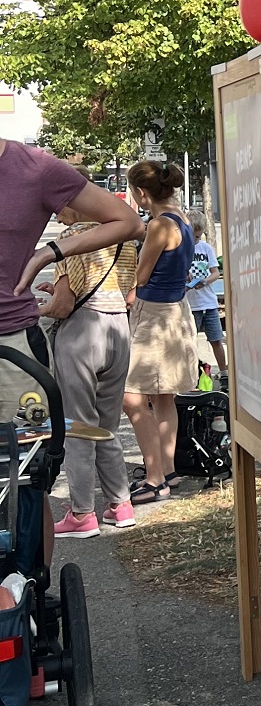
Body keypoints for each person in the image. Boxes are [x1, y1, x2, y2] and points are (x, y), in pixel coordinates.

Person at [2, 144, 142, 427]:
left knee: (20, 465)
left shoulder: (34, 167)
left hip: (11, 342)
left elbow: (127, 221)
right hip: (102, 329)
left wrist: (49, 252)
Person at [43, 204, 140, 536]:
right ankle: (120, 504)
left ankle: (82, 513)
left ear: (72, 205)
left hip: (83, 333)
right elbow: (129, 293)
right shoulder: (124, 239)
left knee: (78, 426)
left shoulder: (72, 238)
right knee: (107, 425)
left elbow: (63, 305)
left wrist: (36, 307)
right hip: (119, 328)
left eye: (58, 209)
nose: (56, 217)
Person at [121, 159, 198, 504]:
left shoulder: (158, 225)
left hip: (153, 316)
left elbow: (141, 275)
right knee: (164, 396)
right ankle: (167, 469)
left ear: (140, 193)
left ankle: (155, 478)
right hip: (177, 311)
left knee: (132, 395)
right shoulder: (182, 217)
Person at [185, 213, 228, 378]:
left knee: (216, 339)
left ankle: (223, 372)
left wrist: (205, 281)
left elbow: (215, 272)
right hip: (191, 304)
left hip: (208, 302)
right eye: (193, 236)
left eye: (198, 236)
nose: (196, 239)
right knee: (190, 341)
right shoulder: (182, 248)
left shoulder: (206, 248)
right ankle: (194, 373)